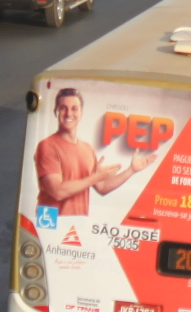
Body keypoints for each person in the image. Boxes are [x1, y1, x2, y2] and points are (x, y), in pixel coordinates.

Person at [35, 88, 151, 216]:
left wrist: (131, 170)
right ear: (56, 112)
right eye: (63, 108)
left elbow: (102, 187)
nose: (68, 114)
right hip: (50, 224)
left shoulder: (87, 149)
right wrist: (94, 178)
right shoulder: (47, 146)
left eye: (74, 108)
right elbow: (57, 192)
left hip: (78, 225)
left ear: (81, 114)